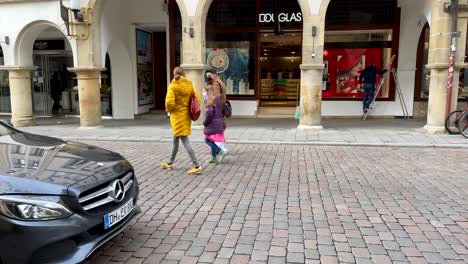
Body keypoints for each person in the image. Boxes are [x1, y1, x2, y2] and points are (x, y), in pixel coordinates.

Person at [161, 66, 202, 175]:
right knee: (175, 139)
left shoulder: (173, 85)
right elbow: (197, 99)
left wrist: (169, 110)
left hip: (177, 116)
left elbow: (169, 103)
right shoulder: (189, 84)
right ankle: (170, 162)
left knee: (184, 140)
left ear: (174, 74)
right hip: (186, 116)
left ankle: (197, 165)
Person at [206, 68, 228, 153]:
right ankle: (219, 148)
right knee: (219, 130)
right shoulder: (220, 81)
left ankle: (219, 150)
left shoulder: (215, 83)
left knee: (215, 131)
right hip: (220, 109)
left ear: (214, 74)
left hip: (217, 109)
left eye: (209, 75)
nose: (208, 77)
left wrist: (211, 104)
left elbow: (216, 97)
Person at [203, 83, 226, 164]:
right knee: (212, 140)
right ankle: (213, 157)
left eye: (204, 91)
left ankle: (220, 151)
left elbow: (209, 113)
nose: (203, 93)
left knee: (207, 140)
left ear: (207, 92)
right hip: (218, 124)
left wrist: (205, 122)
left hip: (212, 125)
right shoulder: (217, 99)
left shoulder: (208, 100)